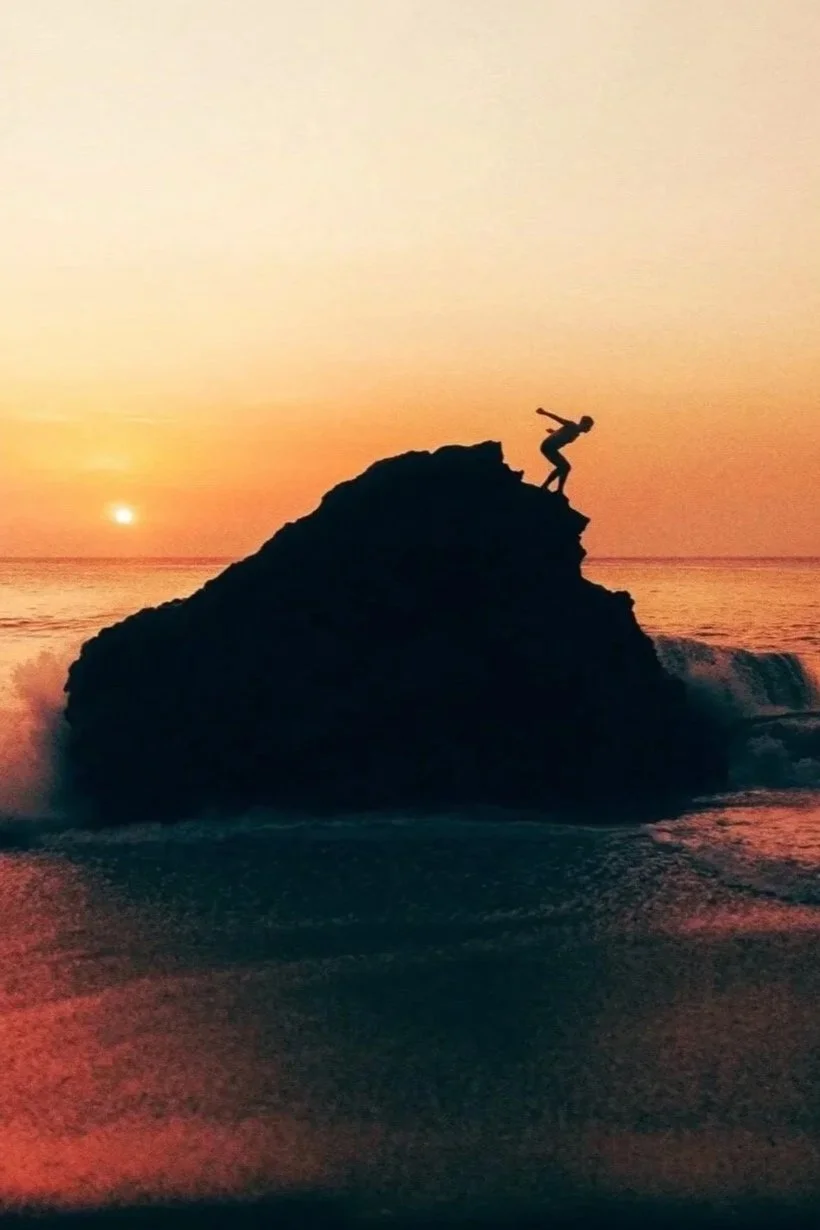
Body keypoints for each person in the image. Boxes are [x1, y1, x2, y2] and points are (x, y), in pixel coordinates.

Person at [536, 407, 594, 493]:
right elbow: (558, 419)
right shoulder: (572, 425)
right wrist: (544, 412)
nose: (589, 429)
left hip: (550, 447)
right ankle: (550, 488)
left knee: (564, 467)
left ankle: (556, 489)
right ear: (583, 424)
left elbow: (562, 434)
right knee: (564, 467)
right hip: (548, 446)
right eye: (589, 426)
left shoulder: (576, 433)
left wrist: (553, 432)